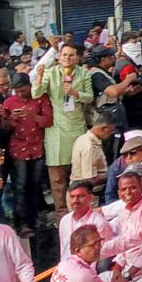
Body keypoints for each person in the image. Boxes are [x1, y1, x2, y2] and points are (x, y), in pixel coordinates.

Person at [31, 44, 93, 218]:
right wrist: (39, 77)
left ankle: (82, 210)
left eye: (71, 55)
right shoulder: (51, 73)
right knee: (57, 177)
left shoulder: (84, 73)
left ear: (77, 57)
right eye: (64, 55)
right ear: (59, 57)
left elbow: (90, 97)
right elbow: (36, 94)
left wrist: (75, 93)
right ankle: (61, 214)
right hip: (57, 129)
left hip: (77, 126)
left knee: (79, 172)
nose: (67, 58)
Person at [0, 74, 50, 237]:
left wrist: (32, 115)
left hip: (37, 148)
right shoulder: (9, 103)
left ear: (30, 85)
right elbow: (3, 127)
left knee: (35, 186)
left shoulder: (40, 98)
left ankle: (35, 220)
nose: (20, 94)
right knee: (19, 187)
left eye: (23, 90)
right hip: (18, 149)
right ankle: (21, 224)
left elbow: (48, 121)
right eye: (17, 91)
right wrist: (11, 119)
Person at [57, 182, 113, 259]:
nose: (75, 201)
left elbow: (104, 255)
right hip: (66, 266)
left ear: (91, 198)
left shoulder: (99, 223)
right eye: (72, 197)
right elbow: (63, 251)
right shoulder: (65, 220)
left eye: (80, 196)